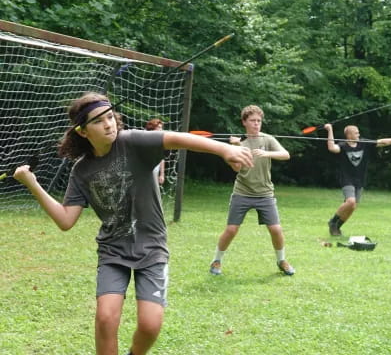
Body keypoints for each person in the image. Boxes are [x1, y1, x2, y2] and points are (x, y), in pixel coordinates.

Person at [13, 92, 253, 355]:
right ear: (83, 132)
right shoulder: (81, 171)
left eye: (110, 117)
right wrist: (32, 184)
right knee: (106, 319)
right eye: (98, 121)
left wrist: (224, 149)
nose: (108, 124)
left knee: (150, 326)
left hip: (151, 249)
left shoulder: (132, 142)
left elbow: (176, 138)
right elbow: (65, 220)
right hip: (113, 251)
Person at [209, 105, 295, 276]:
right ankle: (216, 261)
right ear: (244, 122)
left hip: (265, 194)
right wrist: (234, 149)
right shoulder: (240, 143)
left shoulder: (267, 139)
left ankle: (281, 260)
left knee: (276, 229)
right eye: (253, 121)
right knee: (232, 229)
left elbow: (285, 154)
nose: (256, 124)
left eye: (259, 121)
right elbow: (236, 168)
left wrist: (267, 154)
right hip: (242, 192)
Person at [324, 123, 391, 236]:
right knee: (350, 201)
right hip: (346, 178)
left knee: (352, 207)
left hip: (359, 179)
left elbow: (382, 142)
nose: (358, 134)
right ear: (349, 135)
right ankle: (332, 222)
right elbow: (331, 147)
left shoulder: (363, 143)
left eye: (358, 132)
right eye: (356, 133)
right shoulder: (343, 146)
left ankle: (337, 227)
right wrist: (330, 129)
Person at [145, 119, 165, 185]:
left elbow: (161, 159)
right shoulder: (145, 140)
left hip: (155, 173)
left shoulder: (160, 142)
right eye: (159, 127)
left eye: (161, 127)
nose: (161, 130)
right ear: (152, 128)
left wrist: (162, 175)